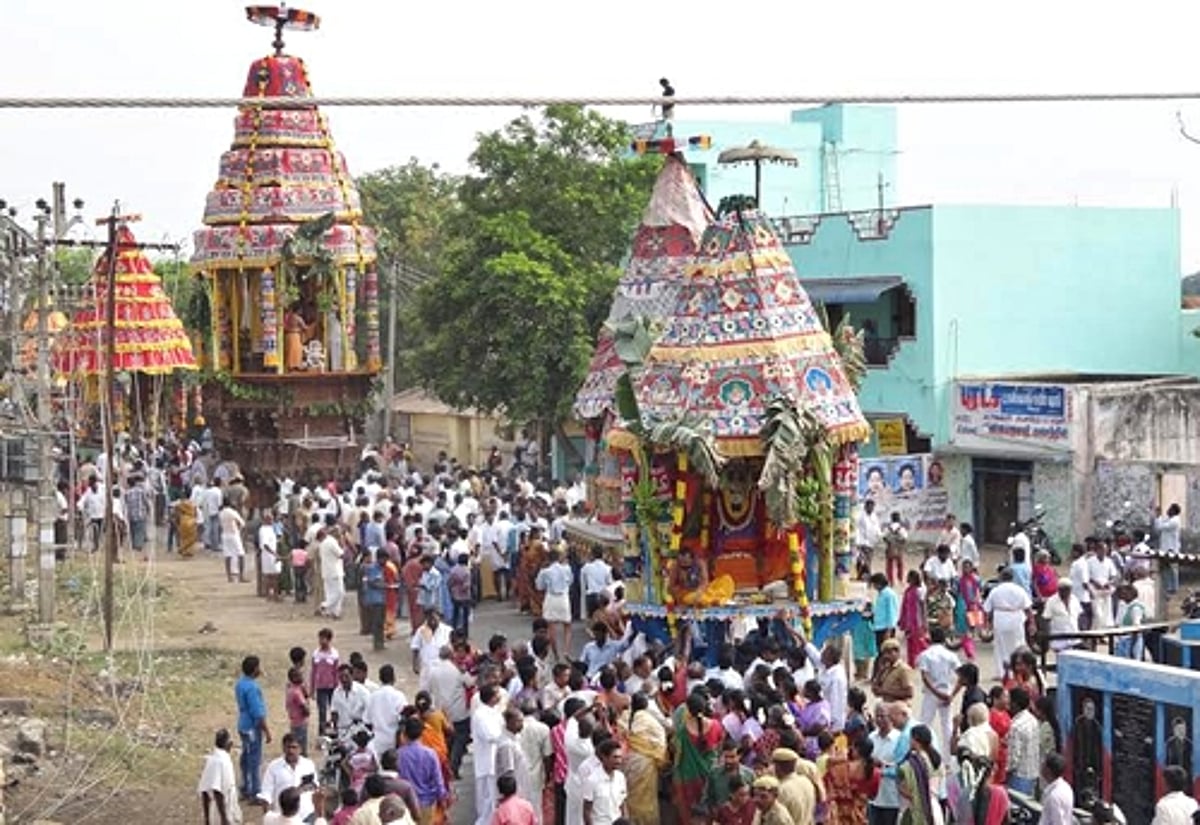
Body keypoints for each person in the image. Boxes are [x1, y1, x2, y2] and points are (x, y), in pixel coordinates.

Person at [624, 692, 668, 825]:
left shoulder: (626, 717)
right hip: (646, 763)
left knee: (631, 794)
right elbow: (661, 741)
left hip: (629, 760)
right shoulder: (650, 720)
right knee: (647, 797)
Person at [983, 569, 1032, 681]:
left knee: (1000, 646)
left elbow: (987, 609)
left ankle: (1002, 672)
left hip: (1001, 619)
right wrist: (1032, 623)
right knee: (1018, 644)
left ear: (1001, 578)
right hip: (1016, 618)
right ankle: (1019, 670)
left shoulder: (995, 591)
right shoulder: (1019, 590)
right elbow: (1028, 608)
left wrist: (987, 624)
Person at [916, 628, 959, 752]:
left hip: (931, 692)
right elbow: (961, 676)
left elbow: (924, 677)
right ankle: (949, 757)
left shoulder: (925, 655)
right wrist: (952, 695)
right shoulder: (951, 655)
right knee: (947, 726)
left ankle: (925, 751)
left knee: (925, 723)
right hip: (947, 692)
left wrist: (936, 692)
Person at [235, 655, 271, 802]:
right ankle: (254, 791)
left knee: (246, 756)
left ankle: (245, 787)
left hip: (243, 724)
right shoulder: (252, 688)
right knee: (254, 759)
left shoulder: (240, 683)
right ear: (255, 669)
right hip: (251, 727)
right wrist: (267, 731)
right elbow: (258, 713)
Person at [259, 733, 318, 819]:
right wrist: (267, 818)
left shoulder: (308, 765)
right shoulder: (274, 767)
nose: (291, 751)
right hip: (283, 818)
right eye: (288, 747)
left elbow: (315, 786)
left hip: (306, 816)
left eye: (294, 747)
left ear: (300, 749)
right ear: (283, 748)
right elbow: (266, 794)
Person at [472, 684, 506, 825]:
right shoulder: (481, 715)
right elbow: (490, 735)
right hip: (486, 762)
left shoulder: (494, 712)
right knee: (487, 799)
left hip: (494, 760)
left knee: (493, 798)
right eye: (497, 694)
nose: (500, 696)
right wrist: (505, 734)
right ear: (491, 698)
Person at [825, 737, 880, 825]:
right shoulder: (876, 773)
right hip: (860, 818)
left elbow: (827, 791)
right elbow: (872, 796)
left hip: (839, 819)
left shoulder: (838, 768)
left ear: (856, 750)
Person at [896, 724, 943, 825]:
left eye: (911, 738)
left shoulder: (911, 764)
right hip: (935, 808)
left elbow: (904, 787)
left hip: (917, 810)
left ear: (915, 739)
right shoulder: (936, 759)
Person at [535, 548, 574, 658]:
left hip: (551, 598)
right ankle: (566, 650)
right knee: (567, 625)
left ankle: (556, 653)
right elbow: (571, 581)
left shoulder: (545, 571)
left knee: (551, 628)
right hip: (563, 598)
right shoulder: (566, 569)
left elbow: (539, 586)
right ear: (559, 558)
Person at [198, 728, 242, 825]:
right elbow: (216, 791)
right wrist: (224, 818)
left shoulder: (215, 759)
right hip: (221, 811)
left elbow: (205, 790)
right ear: (229, 744)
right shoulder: (220, 762)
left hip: (225, 806)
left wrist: (206, 818)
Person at [583, 739, 628, 825]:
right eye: (615, 757)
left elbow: (622, 804)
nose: (619, 761)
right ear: (604, 757)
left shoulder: (620, 777)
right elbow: (586, 811)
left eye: (620, 757)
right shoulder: (592, 781)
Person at [365, 664, 408, 756]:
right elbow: (405, 718)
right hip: (394, 742)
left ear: (380, 678)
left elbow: (367, 721)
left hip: (377, 743)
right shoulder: (399, 696)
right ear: (394, 678)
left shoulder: (373, 696)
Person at [1006, 687, 1040, 797]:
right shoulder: (1033, 720)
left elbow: (1013, 759)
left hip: (1019, 776)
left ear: (1015, 704)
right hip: (1033, 772)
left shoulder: (1016, 726)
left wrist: (1006, 774)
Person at [1037, 753, 1073, 825]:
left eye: (1043, 765)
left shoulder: (1054, 796)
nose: (1041, 767)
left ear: (1048, 770)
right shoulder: (1066, 787)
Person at [220, 499, 247, 583]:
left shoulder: (221, 513)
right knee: (241, 554)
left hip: (225, 534)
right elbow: (242, 523)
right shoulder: (232, 512)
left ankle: (229, 577)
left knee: (228, 555)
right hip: (233, 534)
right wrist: (239, 529)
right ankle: (241, 576)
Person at [856, 500, 883, 579]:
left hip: (871, 542)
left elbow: (877, 528)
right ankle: (867, 576)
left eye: (872, 507)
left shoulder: (874, 516)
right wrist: (858, 542)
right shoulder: (861, 516)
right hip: (862, 542)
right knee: (862, 561)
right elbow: (857, 528)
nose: (871, 508)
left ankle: (863, 577)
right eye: (869, 506)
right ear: (865, 507)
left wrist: (881, 536)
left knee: (867, 561)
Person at [882, 513, 908, 587]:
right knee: (900, 564)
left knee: (889, 565)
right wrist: (900, 544)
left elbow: (884, 537)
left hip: (890, 547)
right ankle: (900, 579)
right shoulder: (902, 528)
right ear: (899, 519)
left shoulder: (888, 528)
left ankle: (891, 580)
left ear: (891, 519)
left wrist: (889, 543)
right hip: (899, 548)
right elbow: (905, 538)